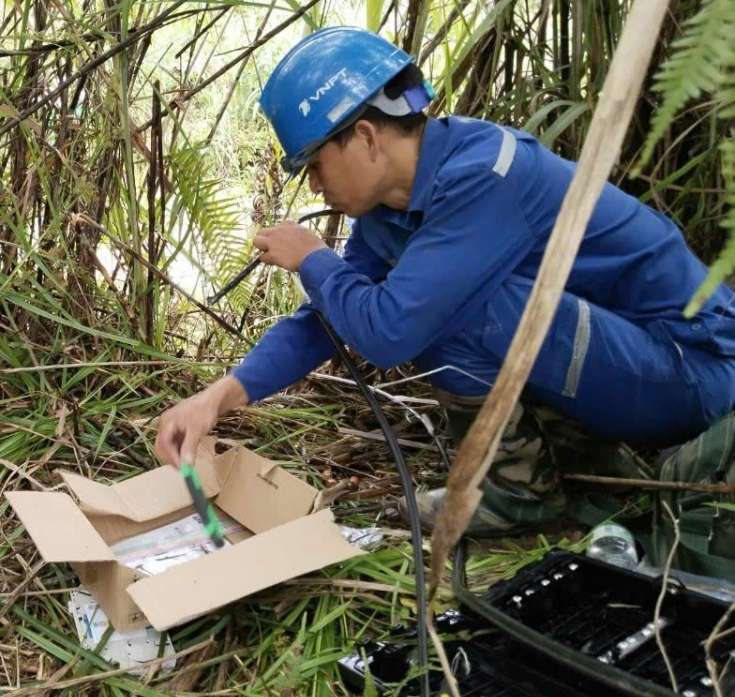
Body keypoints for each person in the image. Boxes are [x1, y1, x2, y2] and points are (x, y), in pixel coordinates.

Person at [154, 26, 735, 537]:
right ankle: (589, 465)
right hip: (628, 365)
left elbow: (391, 330)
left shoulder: (487, 175)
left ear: (364, 137)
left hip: (693, 370)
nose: (314, 188)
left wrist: (312, 259)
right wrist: (216, 399)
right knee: (433, 298)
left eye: (314, 164)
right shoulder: (389, 212)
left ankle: (518, 495)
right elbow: (330, 320)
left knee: (443, 308)